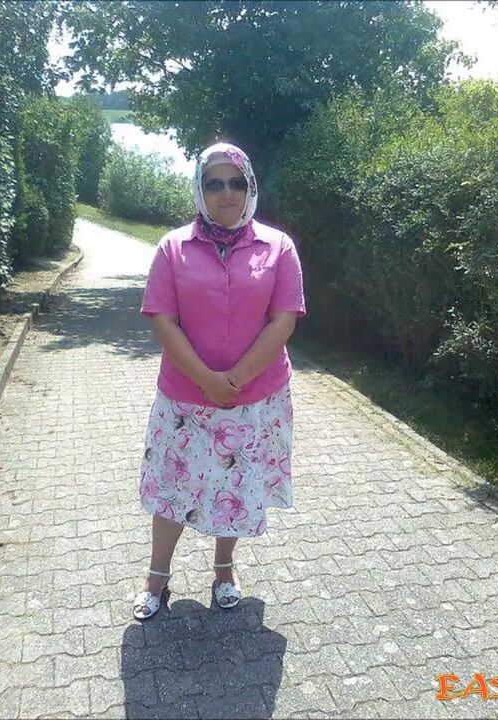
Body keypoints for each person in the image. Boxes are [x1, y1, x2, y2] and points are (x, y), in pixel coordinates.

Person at [133, 142, 306, 620]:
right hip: (184, 396)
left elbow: (284, 320)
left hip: (255, 397)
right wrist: (206, 380)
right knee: (173, 487)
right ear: (199, 190)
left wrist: (234, 380)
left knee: (235, 485)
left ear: (250, 188)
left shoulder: (278, 247)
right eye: (214, 183)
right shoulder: (173, 247)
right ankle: (157, 576)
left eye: (236, 183)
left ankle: (224, 570)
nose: (226, 193)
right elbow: (163, 319)